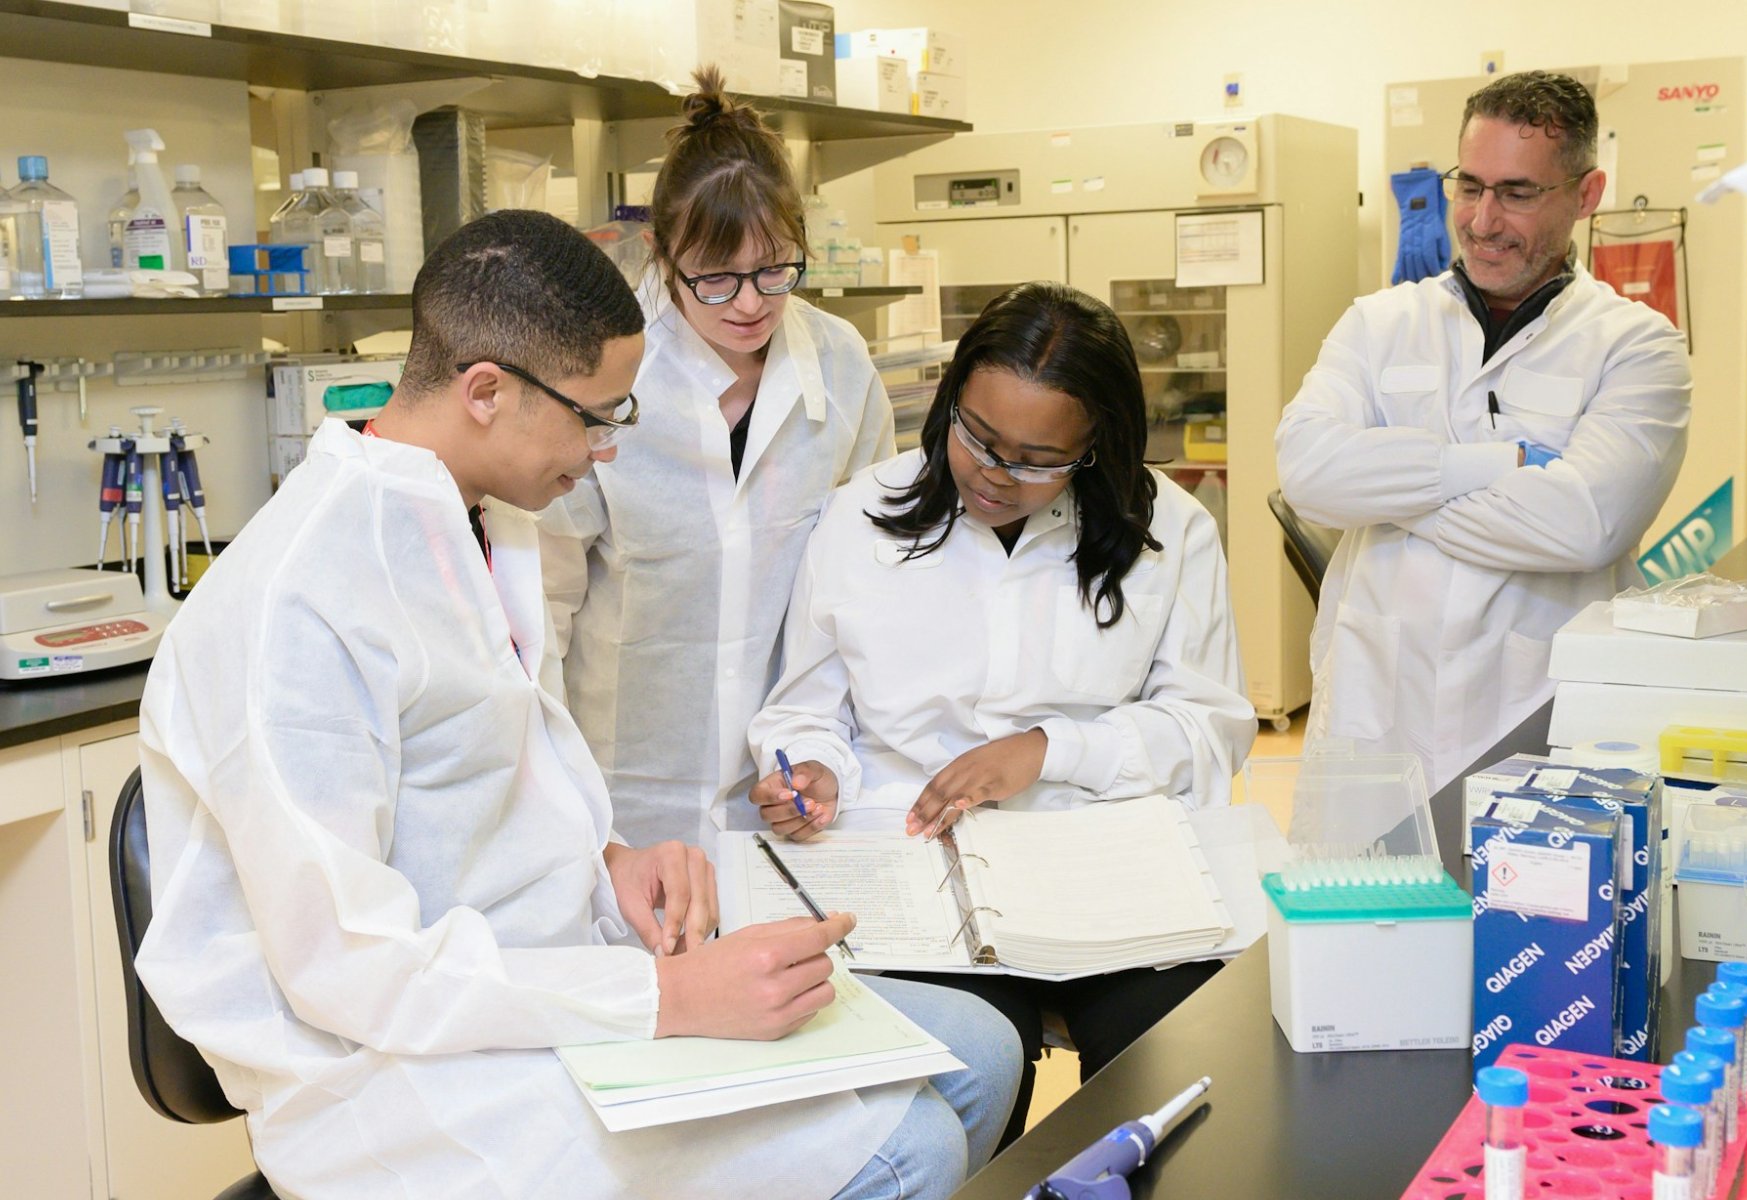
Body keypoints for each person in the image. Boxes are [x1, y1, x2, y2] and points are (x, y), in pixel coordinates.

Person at [135, 210, 1019, 1200]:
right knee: (915, 1147)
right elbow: (349, 970)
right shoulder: (297, 605)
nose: (608, 449)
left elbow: (476, 801)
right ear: (486, 393)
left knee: (978, 1052)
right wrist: (665, 996)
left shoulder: (482, 523)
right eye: (597, 416)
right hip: (392, 1073)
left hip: (536, 977)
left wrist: (611, 864)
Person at [745, 281, 1258, 1147]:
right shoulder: (860, 516)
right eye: (976, 437)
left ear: (1097, 448)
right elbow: (805, 709)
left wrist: (1050, 750)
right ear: (950, 400)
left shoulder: (1171, 529)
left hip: (1101, 874)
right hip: (920, 879)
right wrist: (809, 768)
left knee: (1176, 1080)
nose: (993, 473)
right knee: (964, 1087)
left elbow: (1208, 728)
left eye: (1036, 459)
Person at [1275, 70, 1691, 794]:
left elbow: (1582, 525)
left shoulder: (1639, 347)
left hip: (1538, 709)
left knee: (1533, 901)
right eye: (1469, 186)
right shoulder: (1379, 324)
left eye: (1518, 193)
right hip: (1381, 706)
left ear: (1587, 195)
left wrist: (1388, 494)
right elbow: (1309, 475)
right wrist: (1497, 468)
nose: (1481, 219)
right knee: (1369, 901)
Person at [541, 67, 895, 855]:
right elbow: (543, 611)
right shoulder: (603, 373)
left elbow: (864, 584)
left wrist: (824, 751)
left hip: (784, 788)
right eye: (717, 277)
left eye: (775, 270)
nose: (749, 303)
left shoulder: (838, 367)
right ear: (664, 254)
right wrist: (553, 801)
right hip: (620, 799)